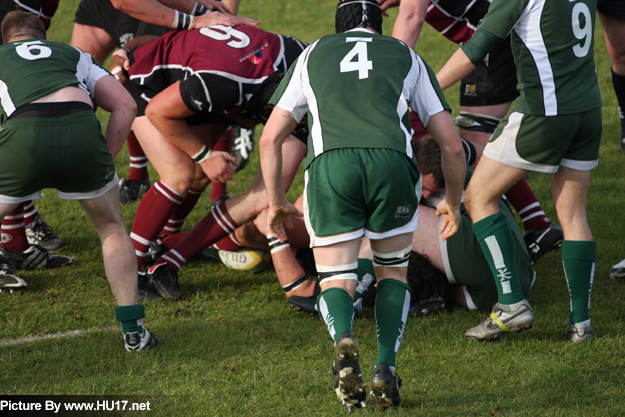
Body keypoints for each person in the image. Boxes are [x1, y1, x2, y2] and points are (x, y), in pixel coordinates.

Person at [261, 0, 466, 409]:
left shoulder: (315, 52)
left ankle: (343, 341)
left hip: (331, 168)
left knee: (337, 278)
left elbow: (270, 139)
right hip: (392, 165)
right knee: (393, 274)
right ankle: (385, 367)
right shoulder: (405, 54)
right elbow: (451, 146)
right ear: (379, 24)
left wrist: (276, 201)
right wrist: (454, 204)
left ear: (341, 27)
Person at [436, 0, 601, 344]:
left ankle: (511, 304)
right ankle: (581, 324)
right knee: (573, 214)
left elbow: (476, 49)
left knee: (478, 197)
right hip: (588, 110)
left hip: (544, 112)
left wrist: (424, 91)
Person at [0, 11, 157, 351]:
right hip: (82, 135)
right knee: (112, 229)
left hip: (22, 140)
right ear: (44, 36)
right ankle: (134, 332)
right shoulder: (74, 54)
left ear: (6, 40)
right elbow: (126, 106)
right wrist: (104, 158)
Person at [116, 25, 308, 300]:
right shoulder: (220, 84)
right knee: (180, 174)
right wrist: (204, 156)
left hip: (222, 73)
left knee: (198, 176)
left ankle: (165, 248)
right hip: (143, 81)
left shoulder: (299, 57)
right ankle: (129, 269)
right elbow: (158, 111)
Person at [377, 0, 564, 263]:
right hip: (490, 42)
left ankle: (534, 225)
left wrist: (392, 85)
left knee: (471, 147)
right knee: (471, 143)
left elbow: (412, 18)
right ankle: (532, 221)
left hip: (493, 43)